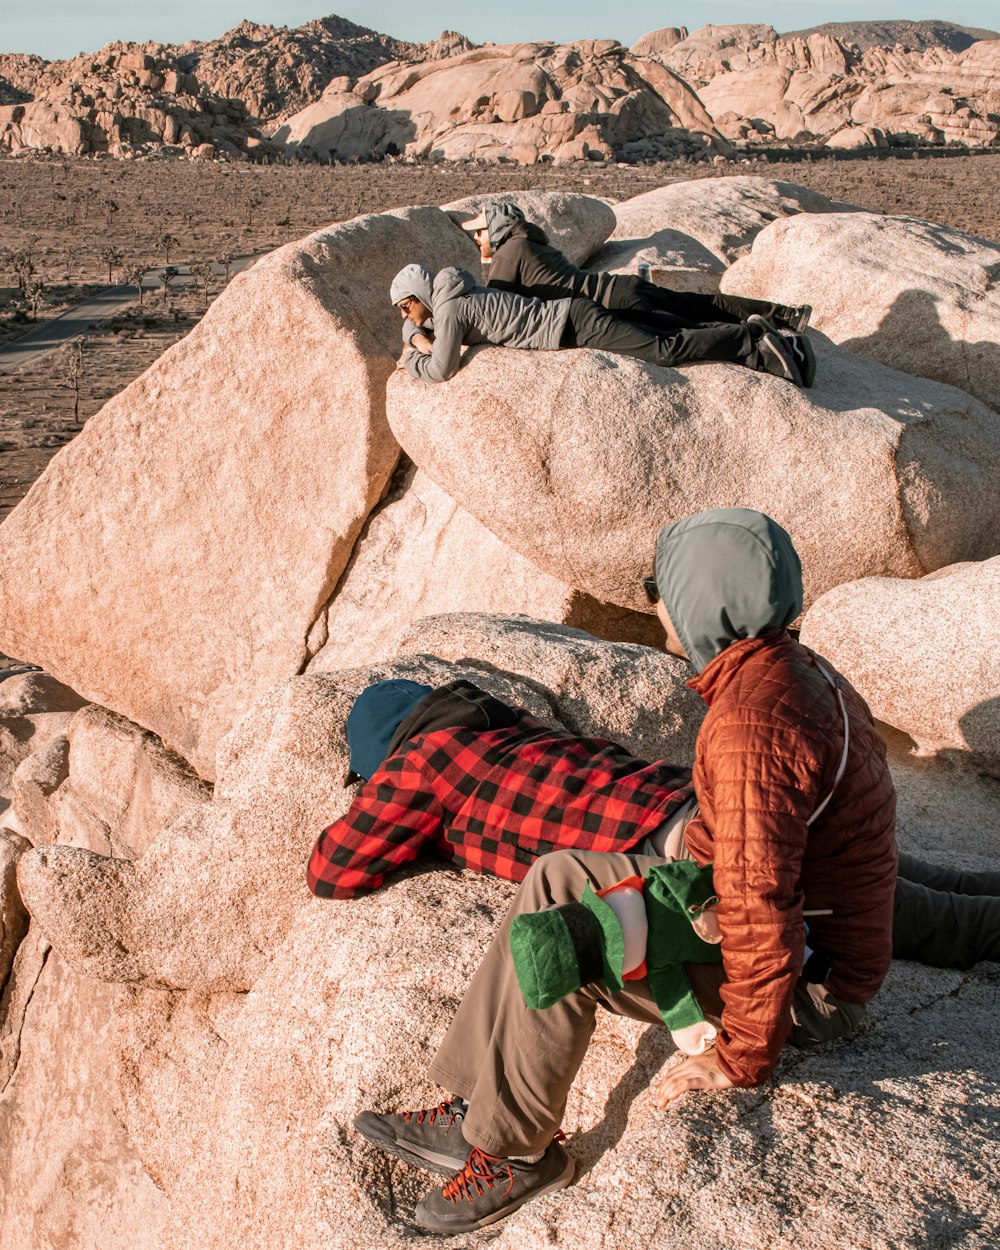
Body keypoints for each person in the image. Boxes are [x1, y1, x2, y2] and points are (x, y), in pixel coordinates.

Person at [349, 507, 908, 1234]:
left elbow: (760, 904)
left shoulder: (751, 726)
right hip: (803, 943)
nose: (651, 601)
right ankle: (472, 1109)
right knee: (557, 876)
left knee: (569, 928)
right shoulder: (791, 675)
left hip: (810, 990)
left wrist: (739, 1057)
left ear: (707, 601)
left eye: (660, 584)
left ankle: (516, 1155)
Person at [459, 201, 815, 385]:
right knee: (696, 306)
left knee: (678, 337)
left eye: (480, 231)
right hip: (621, 286)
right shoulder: (532, 242)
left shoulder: (509, 252)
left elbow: (495, 306)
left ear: (498, 228)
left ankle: (758, 341)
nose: (477, 239)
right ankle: (781, 316)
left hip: (612, 305)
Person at [389, 261, 811, 388]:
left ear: (418, 297)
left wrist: (411, 362)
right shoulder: (457, 295)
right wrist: (416, 337)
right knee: (664, 337)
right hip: (574, 315)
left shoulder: (450, 311)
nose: (406, 317)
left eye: (405, 309)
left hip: (575, 326)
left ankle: (753, 342)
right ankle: (759, 339)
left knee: (665, 350)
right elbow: (431, 335)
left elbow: (442, 369)